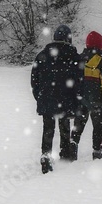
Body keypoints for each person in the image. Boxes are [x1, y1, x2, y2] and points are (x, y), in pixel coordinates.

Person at [31, 24, 81, 174]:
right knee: (64, 126)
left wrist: (40, 97)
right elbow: (79, 81)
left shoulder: (42, 55)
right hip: (66, 99)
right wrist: (76, 99)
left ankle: (46, 156)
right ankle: (65, 153)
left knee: (48, 129)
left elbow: (34, 80)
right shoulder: (73, 56)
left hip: (47, 98)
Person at [73, 31, 102, 159]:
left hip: (81, 96)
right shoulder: (101, 59)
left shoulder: (79, 58)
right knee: (98, 125)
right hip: (96, 97)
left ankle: (73, 145)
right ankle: (97, 150)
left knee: (79, 122)